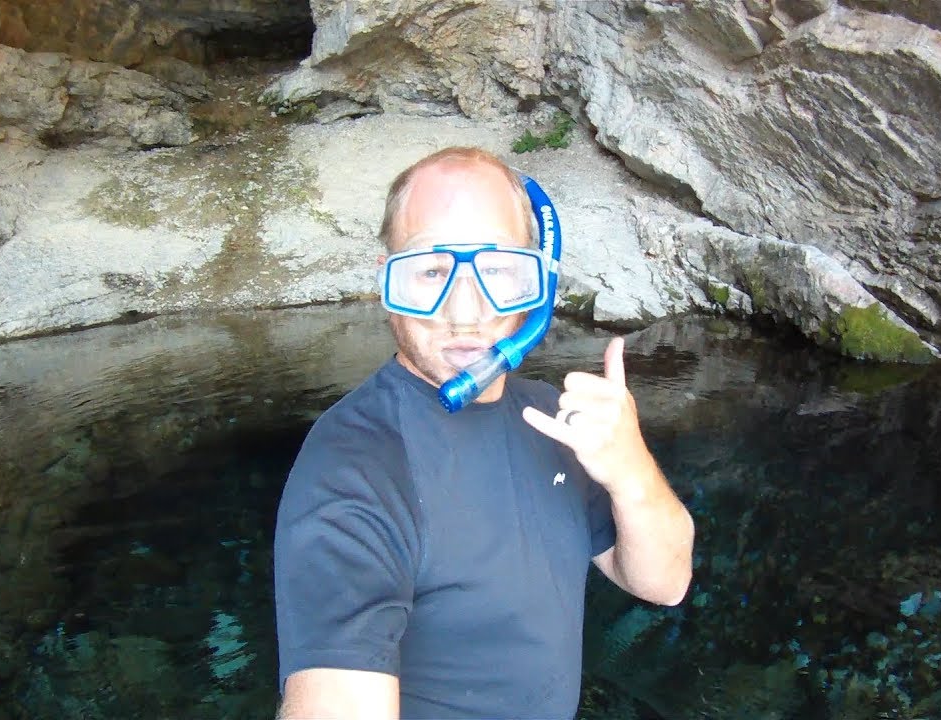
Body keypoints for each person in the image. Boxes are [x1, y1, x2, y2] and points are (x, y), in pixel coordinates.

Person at [273, 146, 694, 719]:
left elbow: (665, 583)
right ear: (388, 282)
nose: (465, 311)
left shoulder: (553, 419)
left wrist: (631, 469)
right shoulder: (353, 468)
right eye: (430, 272)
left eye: (496, 270)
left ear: (533, 283)